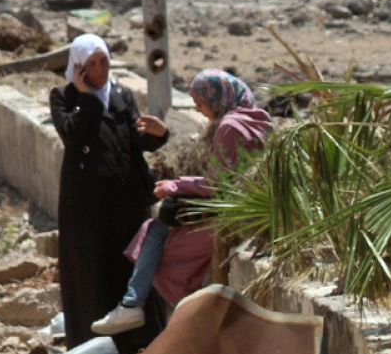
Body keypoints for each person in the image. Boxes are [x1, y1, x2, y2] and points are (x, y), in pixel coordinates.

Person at [93, 69, 272, 335]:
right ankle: (137, 304)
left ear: (215, 98)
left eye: (200, 104)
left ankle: (144, 307)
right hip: (253, 214)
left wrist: (176, 185)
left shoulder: (229, 127)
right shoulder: (260, 120)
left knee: (158, 238)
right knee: (159, 229)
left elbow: (218, 184)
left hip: (232, 220)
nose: (199, 111)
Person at [50, 34, 169, 348]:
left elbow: (133, 137)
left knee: (131, 265)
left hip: (127, 198)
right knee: (93, 268)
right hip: (87, 204)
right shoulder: (64, 96)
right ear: (78, 67)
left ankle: (139, 343)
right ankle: (92, 345)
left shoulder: (121, 94)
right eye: (92, 63)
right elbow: (72, 133)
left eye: (103, 61)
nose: (100, 69)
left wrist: (159, 135)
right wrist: (87, 95)